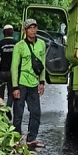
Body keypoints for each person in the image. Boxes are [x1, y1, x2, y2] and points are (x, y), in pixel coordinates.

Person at [11, 19, 46, 148]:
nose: (33, 30)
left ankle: (32, 138)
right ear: (25, 30)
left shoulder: (41, 44)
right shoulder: (19, 46)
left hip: (34, 84)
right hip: (21, 83)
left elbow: (43, 65)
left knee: (36, 112)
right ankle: (16, 138)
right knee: (18, 113)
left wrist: (42, 82)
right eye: (30, 28)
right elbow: (14, 67)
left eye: (34, 27)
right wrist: (15, 87)